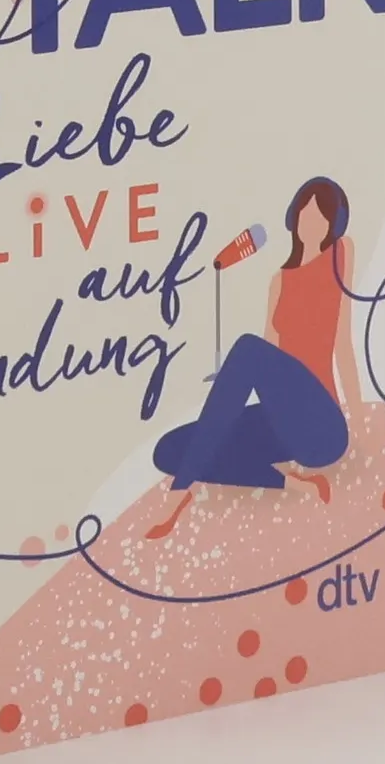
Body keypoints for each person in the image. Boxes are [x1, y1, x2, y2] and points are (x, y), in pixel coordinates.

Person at [146, 176, 366, 539]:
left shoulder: (340, 254)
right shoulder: (280, 280)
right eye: (305, 214)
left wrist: (359, 418)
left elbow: (342, 341)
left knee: (248, 350)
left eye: (321, 217)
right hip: (284, 423)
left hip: (322, 424)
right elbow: (270, 355)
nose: (310, 223)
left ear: (334, 223)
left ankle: (178, 492)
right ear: (294, 217)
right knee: (169, 450)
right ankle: (293, 483)